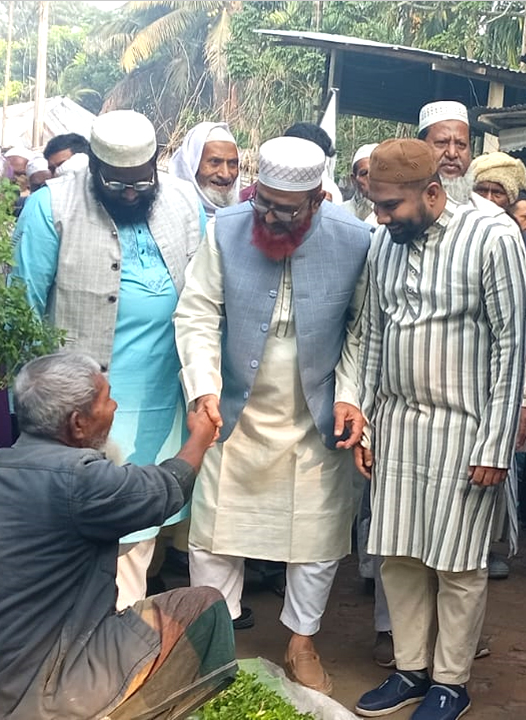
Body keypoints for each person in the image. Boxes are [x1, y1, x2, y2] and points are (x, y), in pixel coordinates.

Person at [334, 138, 526, 720]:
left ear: (433, 192)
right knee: (398, 554)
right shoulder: (385, 244)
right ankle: (410, 670)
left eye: (392, 205)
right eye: (376, 204)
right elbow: (370, 336)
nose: (381, 217)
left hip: (465, 429)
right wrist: (361, 417)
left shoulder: (492, 237)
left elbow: (513, 345)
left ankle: (451, 682)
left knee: (458, 562)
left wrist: (497, 443)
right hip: (396, 424)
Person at [173, 136, 369, 695]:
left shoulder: (355, 238)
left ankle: (301, 642)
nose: (271, 218)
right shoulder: (227, 227)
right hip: (235, 409)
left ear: (317, 199)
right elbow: (197, 311)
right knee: (213, 531)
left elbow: (362, 328)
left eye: (288, 210)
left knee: (317, 535)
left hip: (315, 415)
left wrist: (350, 395)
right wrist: (202, 387)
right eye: (264, 203)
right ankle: (216, 645)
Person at [0, 352, 235, 720]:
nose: (114, 407)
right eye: (106, 400)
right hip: (42, 689)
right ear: (77, 423)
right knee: (203, 606)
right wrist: (200, 437)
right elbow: (165, 490)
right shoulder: (78, 478)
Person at [12, 110, 206, 611]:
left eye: (141, 182)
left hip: (162, 402)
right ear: (93, 166)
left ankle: (115, 642)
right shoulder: (51, 206)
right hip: (83, 413)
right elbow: (23, 311)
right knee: (97, 533)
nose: (128, 193)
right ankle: (103, 650)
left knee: (141, 539)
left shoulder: (184, 202)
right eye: (115, 183)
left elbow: (205, 300)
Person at [418, 100, 526, 581]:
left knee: (464, 530)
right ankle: (398, 636)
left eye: (460, 144)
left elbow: (521, 325)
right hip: (408, 407)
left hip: (477, 406)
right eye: (440, 142)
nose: (451, 154)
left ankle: (452, 642)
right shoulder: (392, 224)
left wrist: (525, 398)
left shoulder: (496, 229)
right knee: (402, 535)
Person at [170, 121, 241, 213]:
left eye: (232, 164)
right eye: (215, 162)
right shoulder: (169, 215)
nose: (225, 175)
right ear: (193, 165)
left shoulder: (245, 219)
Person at [342, 142, 378, 221]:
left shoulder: (394, 214)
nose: (371, 178)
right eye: (364, 173)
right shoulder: (341, 213)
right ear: (354, 180)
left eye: (376, 172)